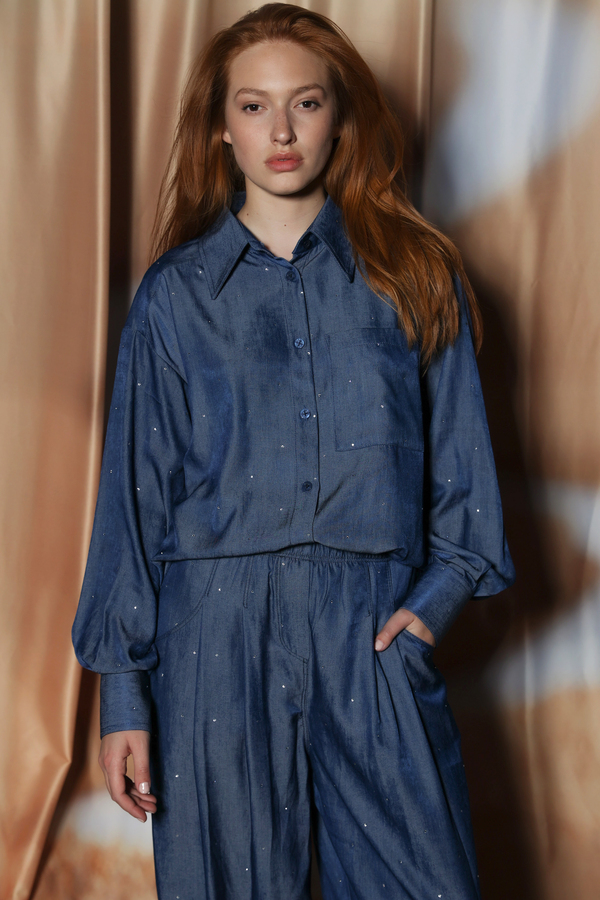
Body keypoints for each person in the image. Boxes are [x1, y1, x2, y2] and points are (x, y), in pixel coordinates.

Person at [72, 4, 515, 898]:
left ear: (339, 117)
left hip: (372, 632)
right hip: (215, 639)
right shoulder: (173, 300)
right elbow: (134, 503)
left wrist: (425, 615)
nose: (281, 131)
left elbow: (466, 486)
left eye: (305, 103)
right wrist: (124, 696)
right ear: (221, 128)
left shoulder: (414, 277)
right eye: (254, 106)